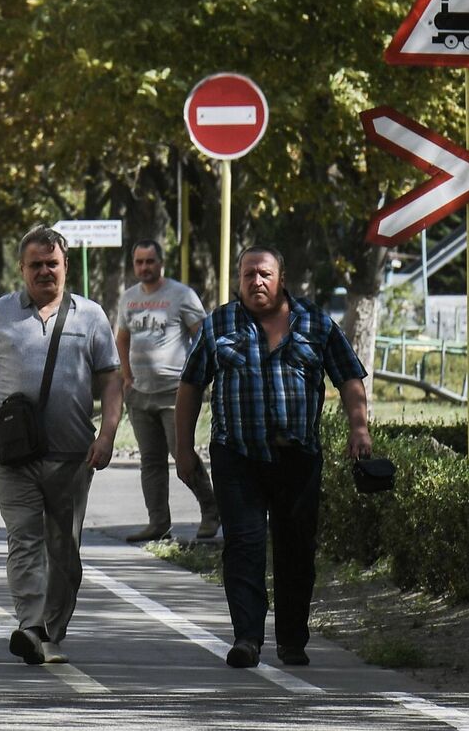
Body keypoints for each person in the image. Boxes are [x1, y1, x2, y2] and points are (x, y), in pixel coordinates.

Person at [176, 247, 373, 669]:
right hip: (237, 456)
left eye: (264, 274)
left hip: (297, 457)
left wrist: (359, 427)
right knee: (244, 547)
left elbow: (349, 375)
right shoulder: (219, 324)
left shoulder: (315, 323)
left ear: (281, 279)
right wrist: (183, 446)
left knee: (295, 549)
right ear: (239, 279)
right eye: (248, 275)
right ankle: (247, 638)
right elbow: (191, 384)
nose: (256, 282)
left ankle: (292, 640)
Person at [0, 226, 121, 666]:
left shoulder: (91, 316)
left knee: (64, 552)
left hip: (71, 456)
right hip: (13, 455)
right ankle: (30, 626)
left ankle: (51, 630)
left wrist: (108, 434)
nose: (45, 271)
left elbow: (112, 380)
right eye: (36, 265)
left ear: (64, 266)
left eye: (52, 264)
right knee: (24, 540)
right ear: (21, 269)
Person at [116, 240, 218, 542]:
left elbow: (203, 336)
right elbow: (121, 338)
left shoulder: (181, 295)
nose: (144, 267)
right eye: (139, 262)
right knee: (151, 461)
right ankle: (158, 522)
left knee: (182, 455)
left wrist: (200, 378)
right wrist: (126, 375)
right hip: (139, 393)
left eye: (150, 261)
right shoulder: (128, 299)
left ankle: (211, 511)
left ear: (161, 263)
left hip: (176, 392)